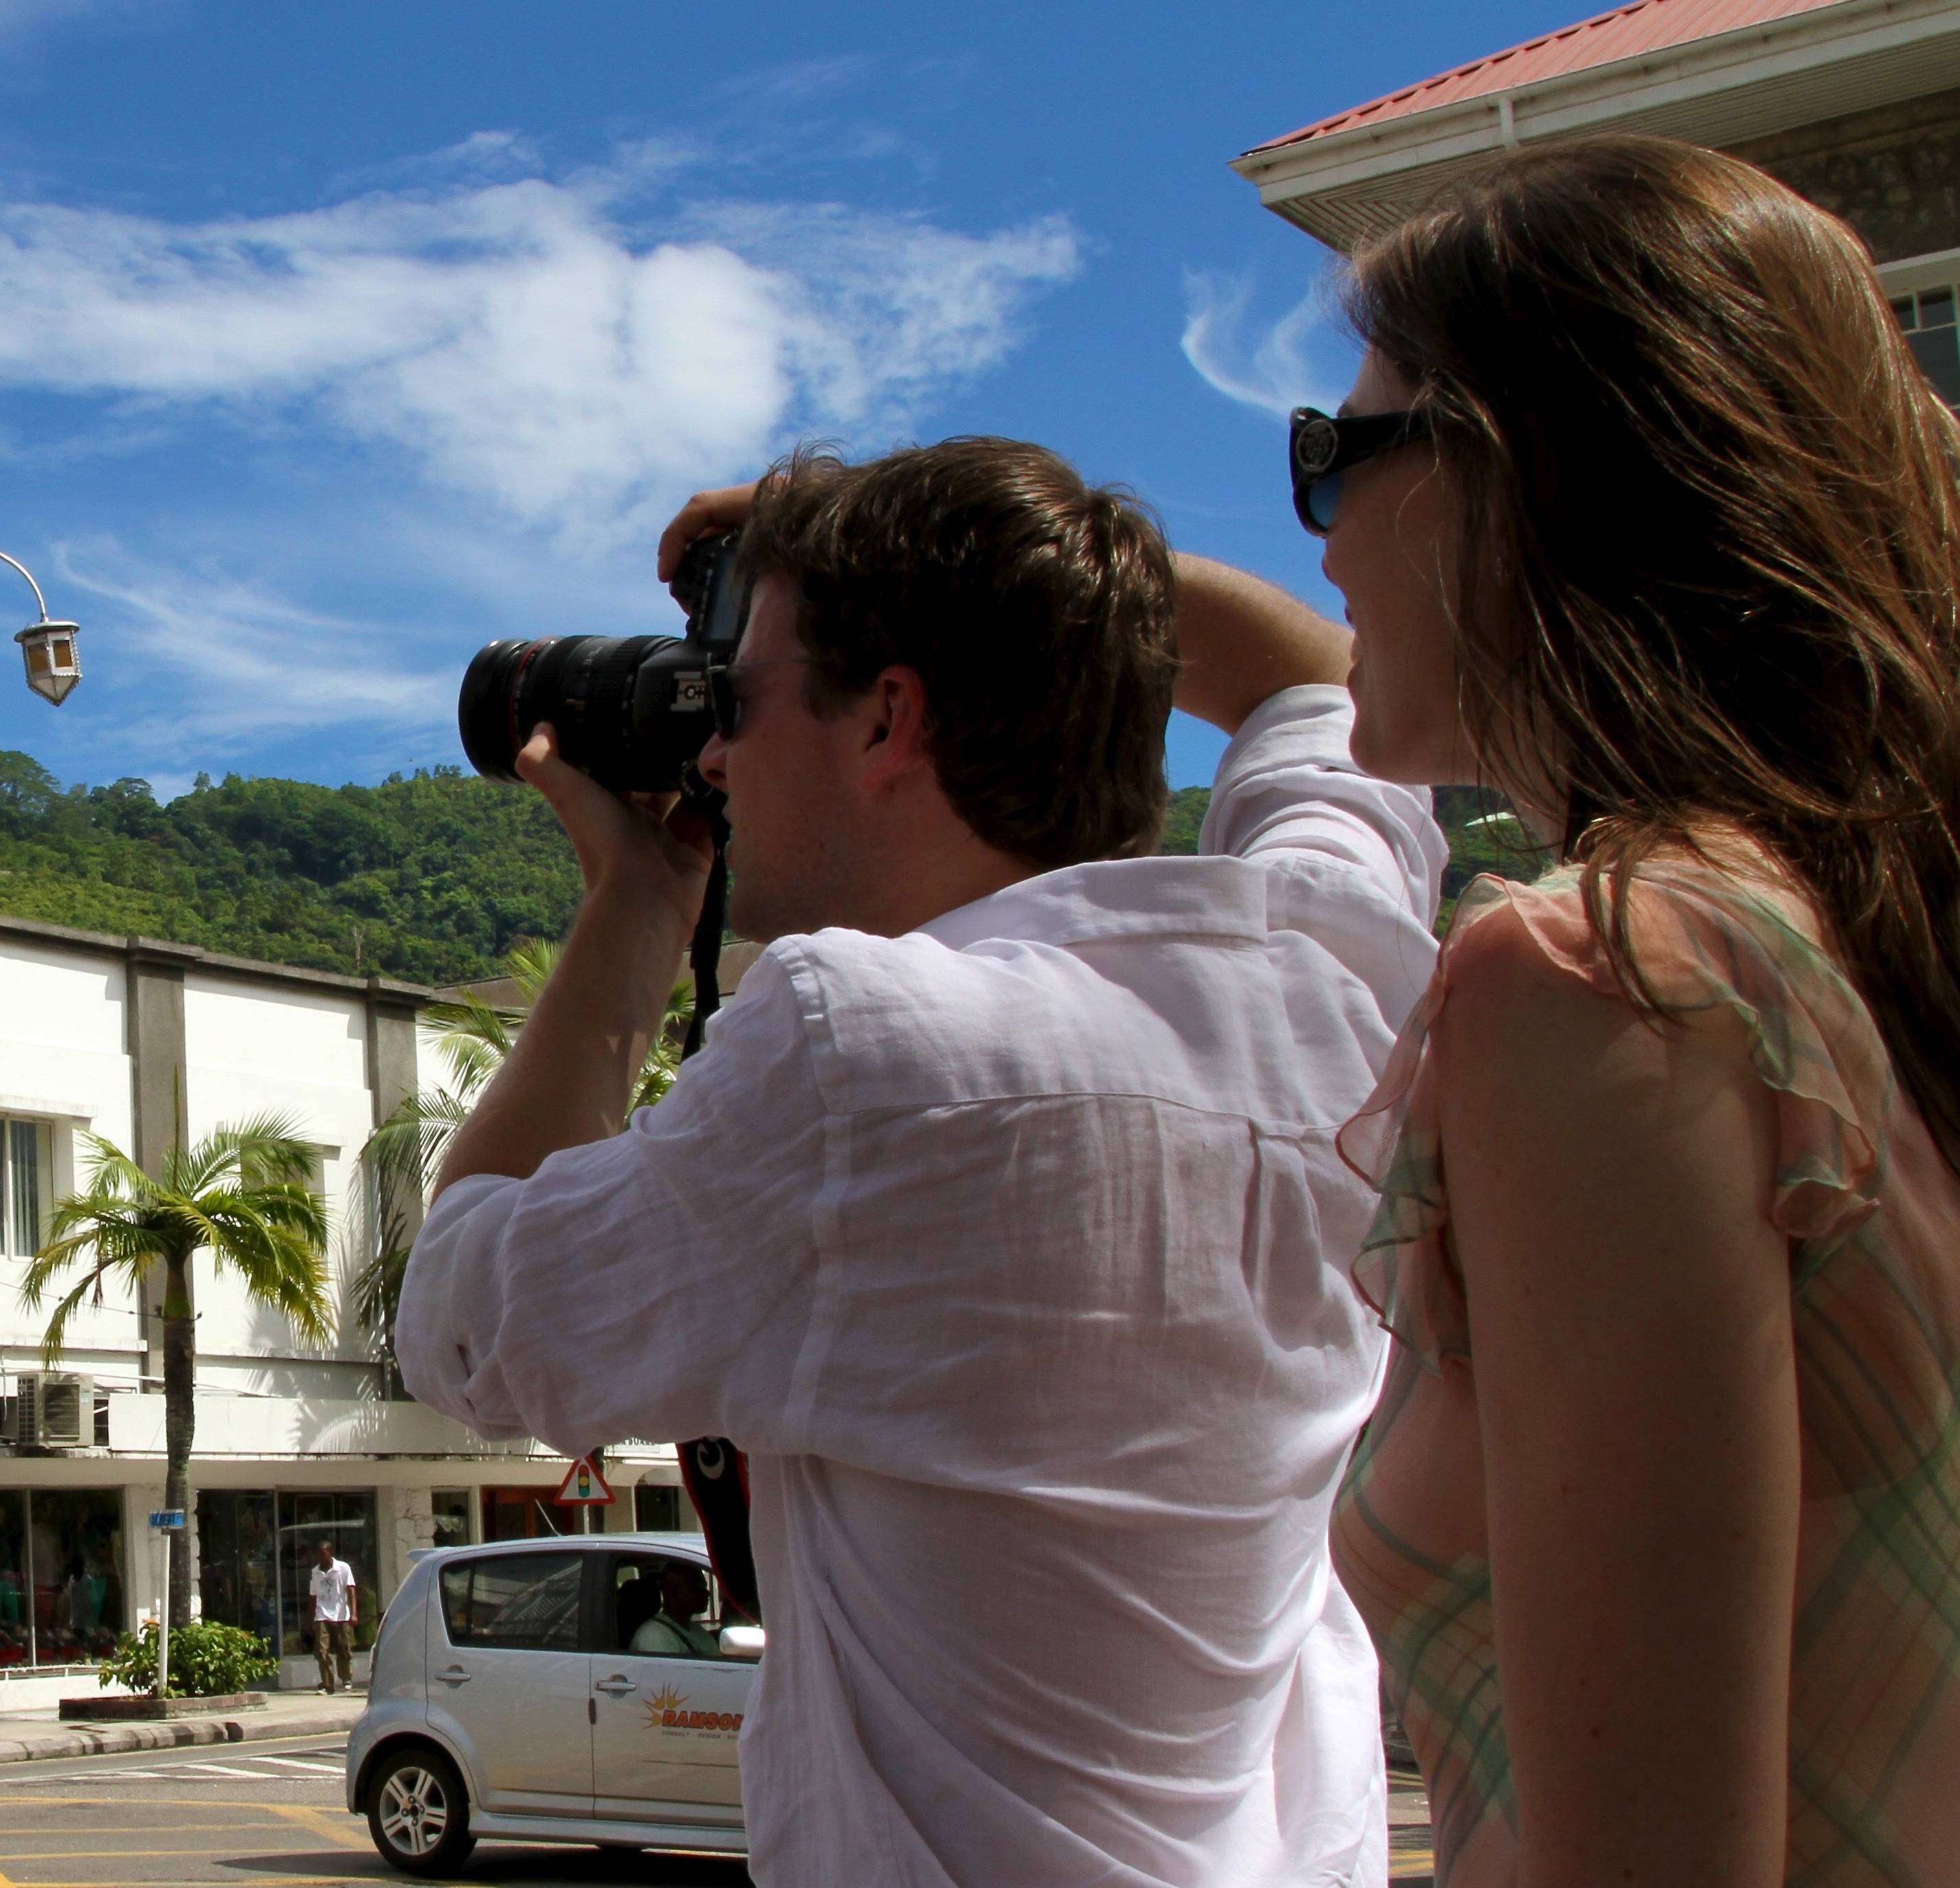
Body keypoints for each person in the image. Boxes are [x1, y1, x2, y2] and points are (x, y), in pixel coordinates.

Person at [398, 435, 1445, 1885]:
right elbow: (1306, 682)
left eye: (739, 697)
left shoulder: (862, 1056)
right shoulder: (1327, 976)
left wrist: (636, 907)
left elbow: (458, 1311)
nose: (706, 750)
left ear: (889, 718)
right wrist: (987, 567)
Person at [1304, 134, 1960, 1887]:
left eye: (1330, 457)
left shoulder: (1600, 977)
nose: (1321, 547)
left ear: (1507, 476)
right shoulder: (1847, 959)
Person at [629, 1561, 720, 1660]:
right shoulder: (653, 1636)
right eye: (698, 1586)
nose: (707, 1593)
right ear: (672, 1592)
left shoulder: (698, 1631)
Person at [305, 1541, 358, 1693]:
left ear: (331, 1553)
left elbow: (351, 1590)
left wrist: (353, 1613)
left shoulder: (343, 1568)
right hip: (322, 1614)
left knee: (344, 1648)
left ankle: (346, 1677)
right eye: (318, 1554)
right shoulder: (315, 1572)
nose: (321, 1557)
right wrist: (310, 1620)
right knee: (322, 1651)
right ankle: (328, 1684)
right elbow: (313, 1597)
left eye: (324, 1553)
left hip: (341, 1614)